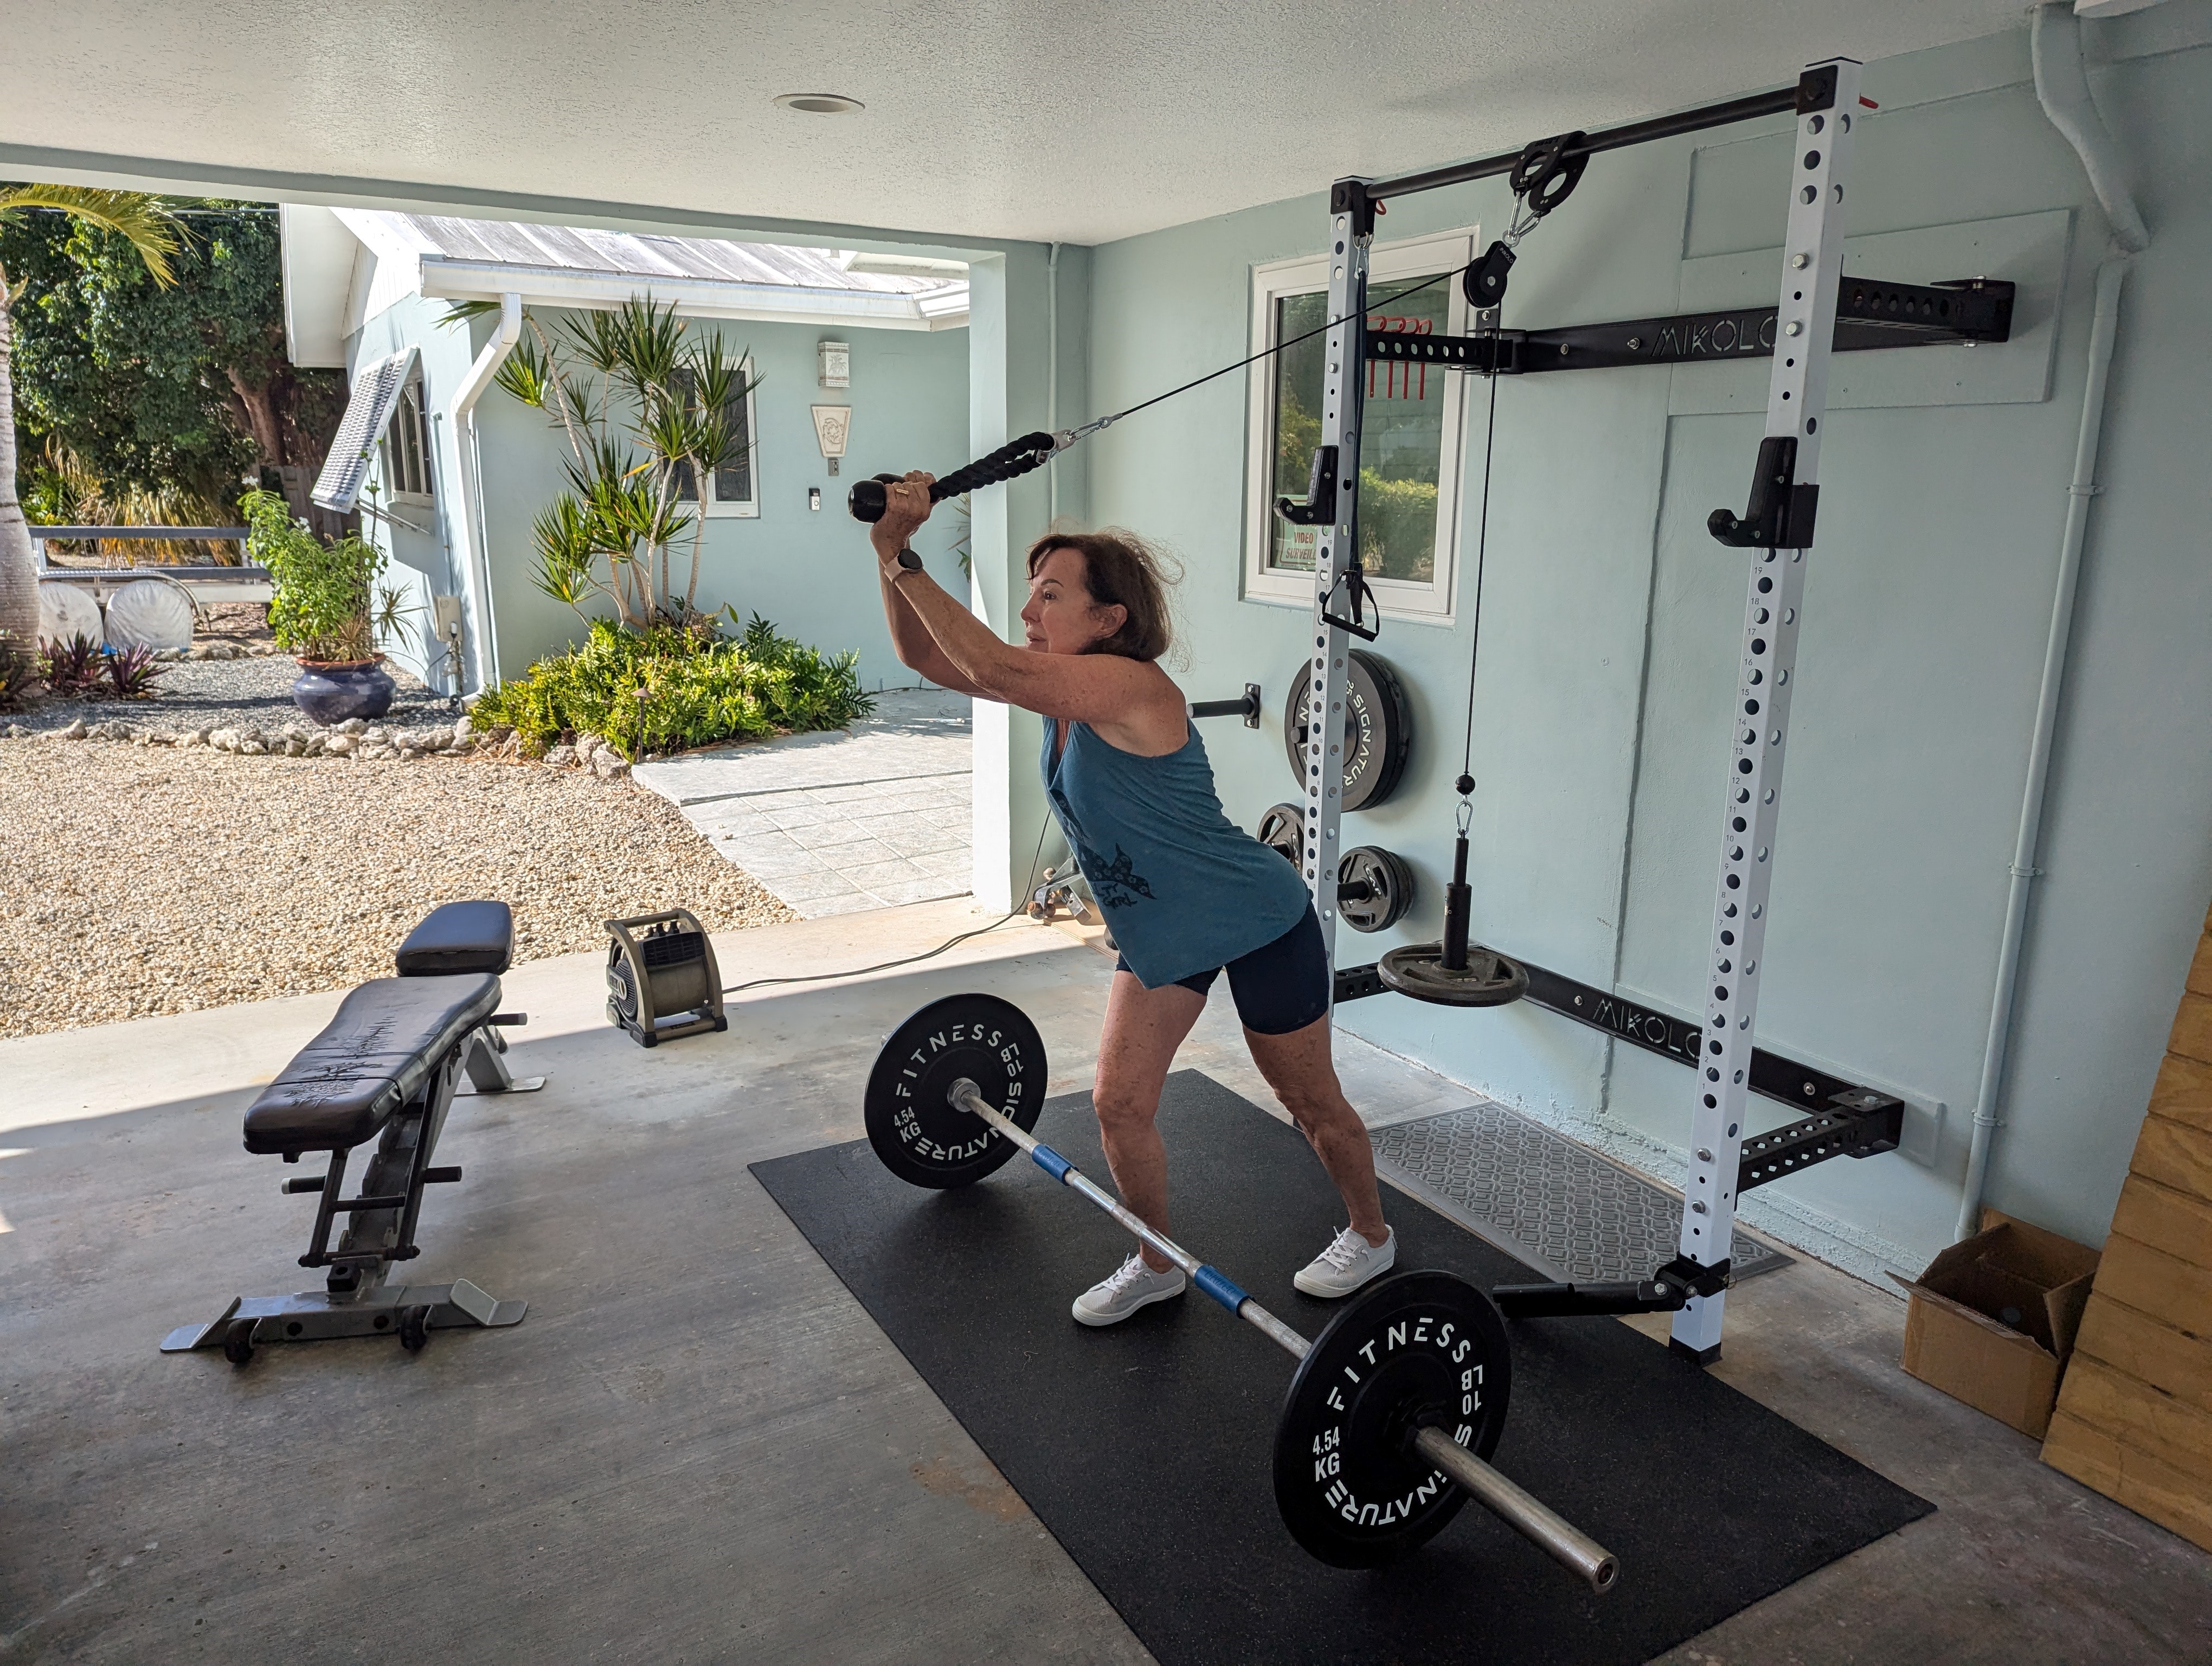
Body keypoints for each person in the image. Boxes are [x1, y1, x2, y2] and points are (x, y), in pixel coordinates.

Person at [867, 474, 1396, 1325]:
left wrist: (902, 555)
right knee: (1118, 1103)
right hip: (1164, 933)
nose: (1030, 611)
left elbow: (991, 661)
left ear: (1110, 619)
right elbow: (924, 659)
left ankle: (1371, 1235)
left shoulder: (1130, 688)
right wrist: (887, 554)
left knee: (1308, 1102)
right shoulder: (1057, 695)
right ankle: (1158, 1263)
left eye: (1051, 594)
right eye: (1032, 593)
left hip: (1256, 919)